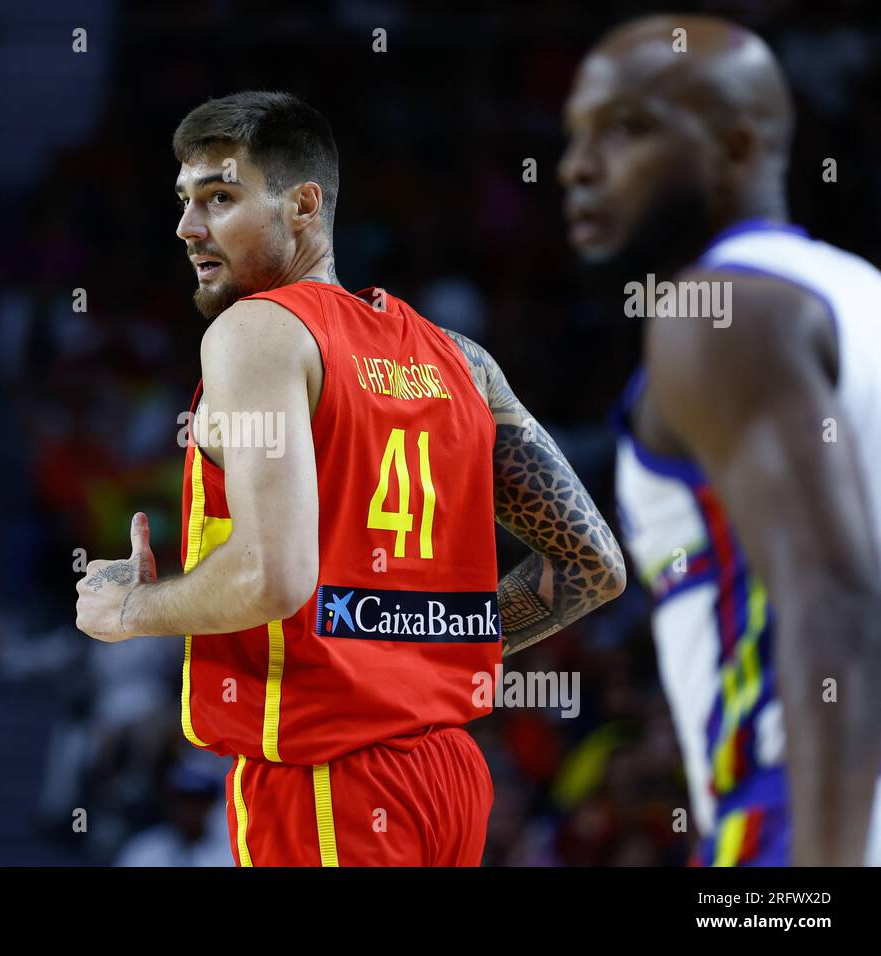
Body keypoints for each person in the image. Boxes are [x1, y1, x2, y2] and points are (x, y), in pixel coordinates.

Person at [77, 90, 625, 866]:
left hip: (326, 781)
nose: (188, 228)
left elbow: (273, 576)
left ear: (303, 205)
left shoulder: (258, 330)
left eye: (221, 198)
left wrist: (131, 610)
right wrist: (418, 657)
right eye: (185, 202)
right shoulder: (462, 361)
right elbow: (593, 565)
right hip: (450, 778)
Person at [560, 14, 881, 865]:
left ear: (737, 148)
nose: (577, 167)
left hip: (795, 824)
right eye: (574, 136)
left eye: (625, 130)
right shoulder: (858, 295)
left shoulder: (718, 314)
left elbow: (835, 602)